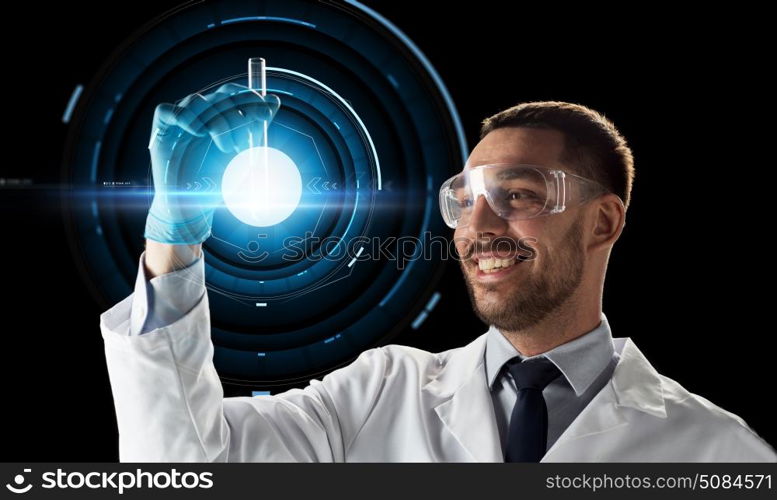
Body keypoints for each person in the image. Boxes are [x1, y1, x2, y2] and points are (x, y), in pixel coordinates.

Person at [100, 93, 777, 462]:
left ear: (602, 223)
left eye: (517, 195)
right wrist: (172, 240)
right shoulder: (373, 396)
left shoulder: (718, 451)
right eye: (463, 199)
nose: (477, 227)